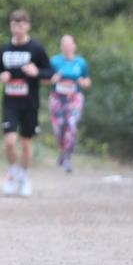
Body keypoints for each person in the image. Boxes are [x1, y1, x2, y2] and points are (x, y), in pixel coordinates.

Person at [0, 9, 52, 196]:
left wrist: (37, 73)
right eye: (13, 24)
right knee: (10, 141)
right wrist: (1, 76)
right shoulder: (4, 49)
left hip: (30, 102)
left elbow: (49, 73)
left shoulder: (36, 48)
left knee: (26, 143)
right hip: (10, 102)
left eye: (20, 24)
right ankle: (13, 172)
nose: (17, 28)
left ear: (27, 26)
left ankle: (25, 177)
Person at [48, 34, 91, 174]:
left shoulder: (81, 62)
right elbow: (45, 79)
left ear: (74, 46)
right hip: (57, 97)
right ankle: (62, 150)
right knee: (59, 128)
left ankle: (68, 157)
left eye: (69, 44)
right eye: (63, 44)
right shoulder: (54, 61)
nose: (66, 47)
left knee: (71, 125)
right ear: (61, 46)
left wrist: (82, 82)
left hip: (74, 98)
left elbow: (87, 81)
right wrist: (53, 79)